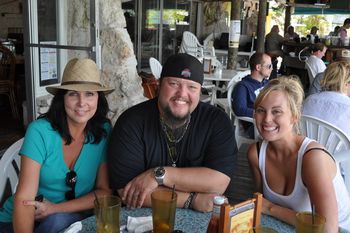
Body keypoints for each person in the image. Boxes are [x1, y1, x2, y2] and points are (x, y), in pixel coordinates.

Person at [107, 53, 237, 212]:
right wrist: (192, 199)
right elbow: (127, 192)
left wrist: (159, 175)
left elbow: (219, 182)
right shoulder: (131, 122)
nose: (182, 94)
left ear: (199, 92)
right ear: (159, 85)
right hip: (142, 216)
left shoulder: (217, 121)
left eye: (192, 87)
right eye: (174, 83)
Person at [0, 58, 114, 233]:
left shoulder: (103, 131)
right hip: (20, 220)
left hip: (68, 218)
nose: (82, 103)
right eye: (73, 93)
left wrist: (55, 209)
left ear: (99, 98)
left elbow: (104, 192)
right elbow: (25, 199)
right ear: (62, 99)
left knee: (58, 222)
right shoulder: (40, 132)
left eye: (89, 93)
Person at [247, 77, 350, 232]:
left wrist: (272, 209)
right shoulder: (255, 153)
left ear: (294, 116)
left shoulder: (313, 158)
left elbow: (328, 228)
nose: (267, 119)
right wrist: (269, 209)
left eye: (277, 112)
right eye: (261, 110)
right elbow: (261, 206)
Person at [303, 61, 350, 138]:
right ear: (346, 84)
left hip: (307, 147)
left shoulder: (309, 100)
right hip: (338, 150)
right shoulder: (348, 105)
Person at [231, 52, 271, 118]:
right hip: (254, 123)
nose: (271, 69)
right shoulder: (243, 86)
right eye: (269, 66)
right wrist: (264, 114)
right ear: (258, 67)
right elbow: (239, 110)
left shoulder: (268, 83)